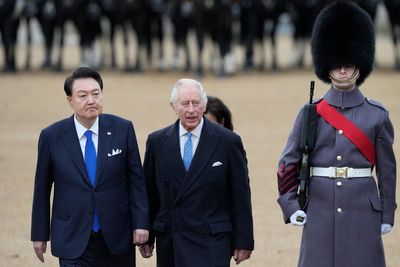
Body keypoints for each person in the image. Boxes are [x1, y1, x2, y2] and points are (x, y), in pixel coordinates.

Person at [277, 1, 397, 267]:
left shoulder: (377, 115)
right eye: (337, 64)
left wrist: (387, 212)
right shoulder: (310, 112)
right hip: (319, 207)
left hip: (362, 209)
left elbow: (387, 170)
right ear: (326, 65)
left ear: (359, 64)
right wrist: (291, 204)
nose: (342, 70)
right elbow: (288, 163)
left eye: (348, 63)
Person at [31, 67, 150, 266]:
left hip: (117, 237)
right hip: (73, 236)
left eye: (96, 94)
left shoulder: (123, 129)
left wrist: (141, 224)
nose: (91, 100)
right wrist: (39, 234)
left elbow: (136, 182)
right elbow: (42, 188)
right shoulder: (51, 136)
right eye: (83, 95)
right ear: (70, 100)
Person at [139, 78, 254, 266]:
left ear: (204, 105)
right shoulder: (157, 142)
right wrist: (148, 234)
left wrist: (244, 240)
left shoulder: (228, 141)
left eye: (196, 103)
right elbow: (150, 193)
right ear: (173, 106)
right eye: (185, 104)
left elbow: (240, 194)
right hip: (171, 240)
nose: (191, 109)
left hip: (212, 241)